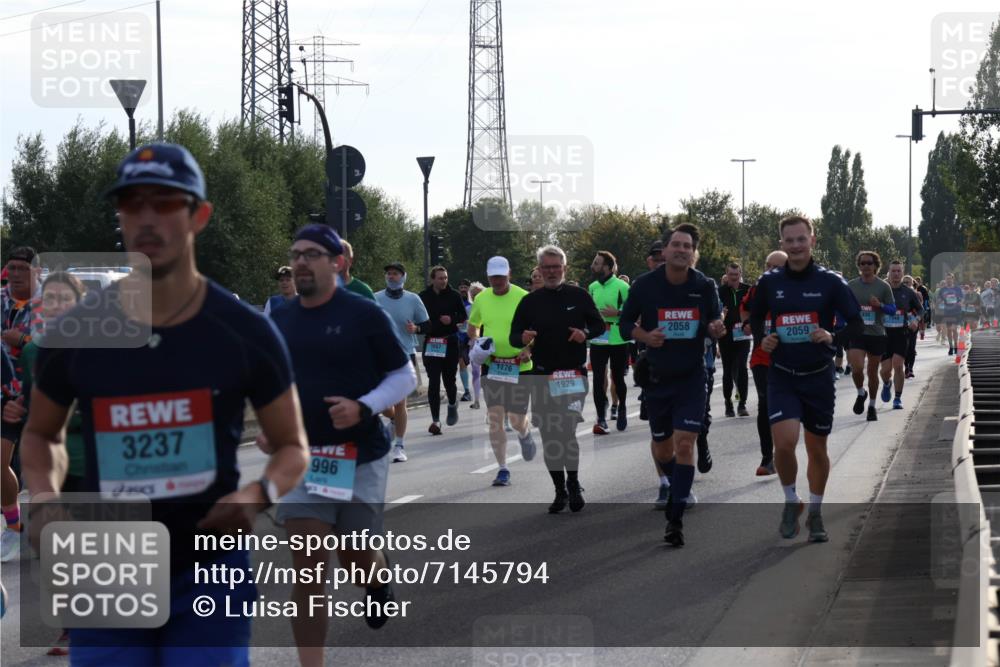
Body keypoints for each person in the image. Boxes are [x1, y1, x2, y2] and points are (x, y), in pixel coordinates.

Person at [21, 142, 310, 667]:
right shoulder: (76, 333)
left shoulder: (245, 333)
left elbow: (292, 446)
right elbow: (41, 434)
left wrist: (257, 493)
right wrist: (42, 496)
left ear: (198, 214)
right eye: (133, 205)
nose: (147, 218)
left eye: (165, 203)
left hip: (209, 566)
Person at [268, 224, 416, 667]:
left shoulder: (364, 313)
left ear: (338, 263)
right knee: (310, 564)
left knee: (354, 557)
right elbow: (266, 380)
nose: (300, 262)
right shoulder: (281, 318)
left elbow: (404, 375)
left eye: (311, 254)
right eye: (296, 254)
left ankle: (376, 578)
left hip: (359, 454)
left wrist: (363, 407)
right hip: (304, 456)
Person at [749, 215, 862, 543]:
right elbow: (756, 317)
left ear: (812, 240)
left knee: (816, 448)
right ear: (782, 244)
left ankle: (815, 511)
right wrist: (763, 340)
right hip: (782, 375)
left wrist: (832, 335)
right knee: (783, 444)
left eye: (802, 239)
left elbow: (855, 323)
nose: (796, 246)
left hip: (818, 377)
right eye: (789, 240)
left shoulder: (831, 282)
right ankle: (790, 501)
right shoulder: (770, 282)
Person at [620, 224, 725, 546]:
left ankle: (675, 518)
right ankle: (677, 483)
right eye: (675, 245)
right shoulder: (644, 286)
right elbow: (625, 324)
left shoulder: (703, 285)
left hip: (692, 376)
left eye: (687, 246)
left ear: (693, 252)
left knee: (684, 444)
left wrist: (716, 329)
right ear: (664, 251)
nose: (681, 250)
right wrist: (645, 336)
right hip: (657, 377)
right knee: (664, 448)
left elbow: (713, 322)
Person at [510, 246, 604, 512]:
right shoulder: (530, 301)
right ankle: (559, 490)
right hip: (541, 374)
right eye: (546, 267)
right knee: (551, 436)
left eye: (556, 266)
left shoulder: (579, 295)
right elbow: (513, 336)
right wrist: (523, 339)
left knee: (566, 430)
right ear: (539, 270)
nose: (551, 271)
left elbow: (598, 325)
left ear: (565, 268)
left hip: (572, 374)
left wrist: (585, 333)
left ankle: (573, 483)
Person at [467, 257, 538, 487]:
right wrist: (478, 342)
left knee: (516, 419)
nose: (497, 280)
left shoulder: (523, 297)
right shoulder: (481, 298)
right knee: (496, 418)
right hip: (493, 365)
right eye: (493, 276)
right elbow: (472, 326)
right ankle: (503, 469)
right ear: (488, 276)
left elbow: (536, 329)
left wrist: (528, 348)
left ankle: (525, 433)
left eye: (501, 276)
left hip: (520, 365)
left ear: (509, 273)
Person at [739, 250, 788, 477]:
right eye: (768, 266)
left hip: (791, 358)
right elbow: (744, 308)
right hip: (761, 357)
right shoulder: (757, 289)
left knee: (784, 407)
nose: (770, 270)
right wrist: (747, 323)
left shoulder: (795, 289)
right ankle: (767, 457)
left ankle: (783, 451)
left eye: (776, 267)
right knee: (765, 403)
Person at [374, 263, 430, 462]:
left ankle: (399, 445)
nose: (391, 276)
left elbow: (427, 324)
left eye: (395, 274)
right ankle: (391, 419)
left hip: (404, 354)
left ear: (403, 277)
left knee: (400, 402)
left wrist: (415, 329)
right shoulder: (376, 298)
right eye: (388, 273)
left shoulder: (413, 299)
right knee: (380, 402)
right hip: (380, 357)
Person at [846, 251, 895, 422]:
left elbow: (892, 309)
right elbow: (842, 306)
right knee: (856, 368)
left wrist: (879, 305)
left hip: (876, 334)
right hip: (857, 333)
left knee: (872, 372)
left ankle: (872, 406)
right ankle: (861, 393)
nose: (865, 266)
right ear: (858, 266)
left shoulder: (883, 286)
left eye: (869, 263)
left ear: (875, 266)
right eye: (862, 263)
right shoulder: (851, 285)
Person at [418, 266, 467, 435]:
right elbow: (418, 317)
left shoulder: (454, 295)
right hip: (432, 342)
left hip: (450, 341)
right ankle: (436, 420)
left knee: (449, 380)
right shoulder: (423, 297)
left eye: (445, 278)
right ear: (432, 279)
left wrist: (451, 319)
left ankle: (452, 404)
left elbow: (463, 316)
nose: (444, 281)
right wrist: (419, 327)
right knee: (433, 382)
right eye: (440, 278)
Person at [587, 251, 631, 434]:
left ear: (607, 266)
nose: (593, 266)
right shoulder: (592, 287)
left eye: (596, 263)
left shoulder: (622, 286)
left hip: (618, 337)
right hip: (598, 338)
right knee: (598, 379)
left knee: (618, 378)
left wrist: (618, 313)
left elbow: (633, 311)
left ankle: (621, 409)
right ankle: (601, 417)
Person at [878, 261, 923, 410]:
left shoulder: (909, 292)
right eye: (893, 271)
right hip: (883, 334)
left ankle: (897, 398)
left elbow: (921, 310)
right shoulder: (881, 289)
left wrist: (915, 320)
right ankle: (886, 383)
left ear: (902, 273)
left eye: (898, 271)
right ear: (888, 273)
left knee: (898, 365)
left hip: (902, 333)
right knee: (885, 370)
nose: (896, 274)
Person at [717, 262, 752, 418]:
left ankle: (742, 404)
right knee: (727, 370)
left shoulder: (748, 289)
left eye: (736, 275)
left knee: (743, 368)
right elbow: (715, 312)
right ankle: (728, 403)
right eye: (731, 275)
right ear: (727, 274)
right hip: (726, 335)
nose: (734, 278)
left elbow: (755, 309)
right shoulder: (720, 291)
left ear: (740, 274)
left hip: (743, 334)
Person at [466, 282, 486, 409]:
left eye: (478, 294)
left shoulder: (489, 306)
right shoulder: (468, 308)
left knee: (487, 373)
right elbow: (466, 326)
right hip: (474, 343)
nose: (475, 296)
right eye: (473, 294)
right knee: (475, 372)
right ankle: (477, 400)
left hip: (488, 342)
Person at [936, 274, 963, 355]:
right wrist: (939, 302)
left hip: (956, 311)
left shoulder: (957, 289)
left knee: (954, 329)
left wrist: (959, 303)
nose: (948, 280)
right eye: (947, 279)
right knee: (949, 330)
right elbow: (939, 299)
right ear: (945, 280)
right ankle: (951, 347)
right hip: (947, 312)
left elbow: (962, 298)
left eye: (950, 279)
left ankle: (955, 346)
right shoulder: (942, 290)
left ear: (953, 279)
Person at [457, 279, 473, 401]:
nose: (463, 289)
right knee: (460, 363)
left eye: (465, 287)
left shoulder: (473, 305)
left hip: (469, 338)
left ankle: (470, 390)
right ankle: (466, 391)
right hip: (456, 337)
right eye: (461, 287)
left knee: (468, 364)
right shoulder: (455, 304)